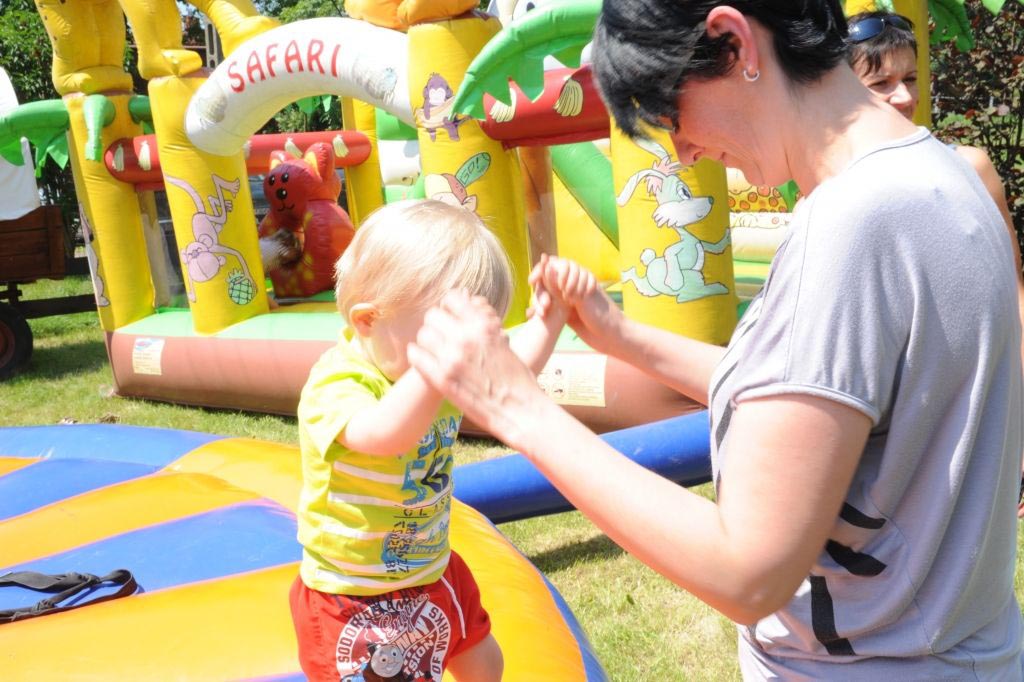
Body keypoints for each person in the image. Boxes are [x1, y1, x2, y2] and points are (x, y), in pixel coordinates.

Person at [407, 1, 1024, 679]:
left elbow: (746, 571)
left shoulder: (851, 230)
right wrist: (620, 336)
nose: (682, 152)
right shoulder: (940, 175)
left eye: (670, 117)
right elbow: (811, 398)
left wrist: (518, 409)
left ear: (734, 43)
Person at [289, 199, 566, 682]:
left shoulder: (428, 370)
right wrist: (437, 366)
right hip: (355, 595)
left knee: (486, 664)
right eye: (442, 338)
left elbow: (510, 373)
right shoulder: (338, 383)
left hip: (432, 570)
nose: (463, 356)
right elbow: (382, 434)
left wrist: (550, 319)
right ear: (368, 321)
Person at [847, 9, 1024, 517]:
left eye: (910, 79)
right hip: (887, 442)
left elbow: (1012, 297)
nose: (903, 97)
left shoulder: (971, 169)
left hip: (974, 415)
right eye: (881, 83)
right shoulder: (835, 194)